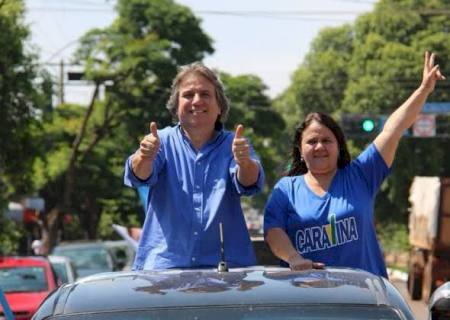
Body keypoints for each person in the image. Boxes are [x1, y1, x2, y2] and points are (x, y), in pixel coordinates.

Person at [264, 51, 445, 277]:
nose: (319, 146)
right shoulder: (286, 189)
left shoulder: (361, 175)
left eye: (327, 140)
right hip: (307, 297)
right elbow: (273, 232)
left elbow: (393, 129)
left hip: (364, 298)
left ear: (339, 146)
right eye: (312, 141)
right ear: (301, 151)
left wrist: (424, 89)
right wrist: (294, 258)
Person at [124, 62, 264, 270]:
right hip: (164, 269)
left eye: (205, 94)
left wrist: (244, 162)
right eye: (188, 95)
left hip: (226, 271)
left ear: (219, 107)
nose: (197, 101)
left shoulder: (233, 144)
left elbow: (249, 182)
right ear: (176, 105)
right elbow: (139, 175)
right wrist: (144, 157)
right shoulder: (159, 141)